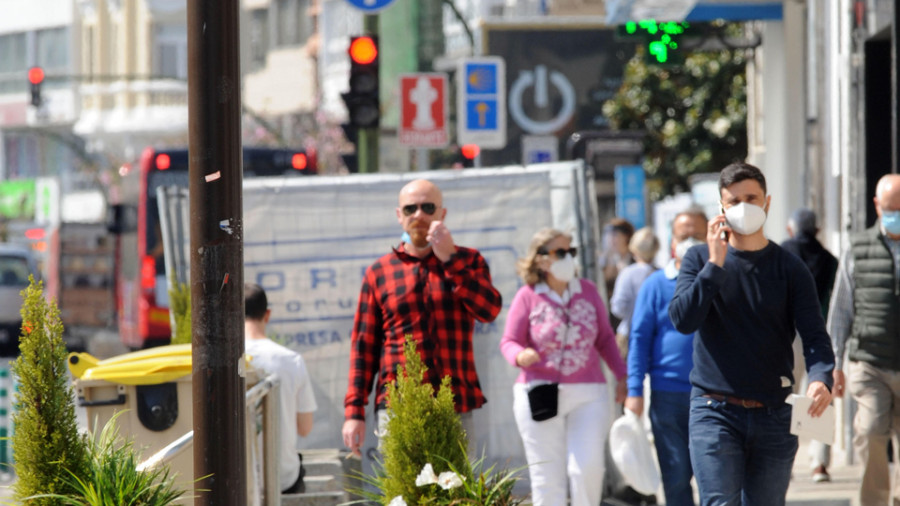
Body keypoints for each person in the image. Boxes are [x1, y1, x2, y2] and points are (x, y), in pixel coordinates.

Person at [668, 162, 834, 506]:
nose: (743, 207)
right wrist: (715, 266)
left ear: (767, 204)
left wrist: (821, 377)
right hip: (714, 409)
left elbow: (815, 336)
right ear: (721, 208)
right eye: (733, 201)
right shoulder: (699, 260)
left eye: (751, 198)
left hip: (774, 413)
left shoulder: (789, 267)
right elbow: (683, 320)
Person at [342, 179, 502, 457]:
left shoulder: (469, 260)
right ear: (399, 216)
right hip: (398, 404)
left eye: (428, 207)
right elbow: (363, 347)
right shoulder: (379, 272)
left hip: (454, 401)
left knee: (458, 496)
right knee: (402, 497)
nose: (419, 215)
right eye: (410, 208)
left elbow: (489, 311)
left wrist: (450, 259)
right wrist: (355, 411)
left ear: (442, 214)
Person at [500, 228, 627, 506]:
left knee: (588, 468)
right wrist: (520, 355)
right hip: (538, 391)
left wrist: (622, 376)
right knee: (546, 474)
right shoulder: (528, 296)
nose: (568, 257)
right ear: (541, 260)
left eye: (571, 251)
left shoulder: (589, 291)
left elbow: (605, 338)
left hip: (589, 392)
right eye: (560, 252)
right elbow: (509, 341)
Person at [625, 209, 707, 506]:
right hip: (667, 396)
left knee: (717, 481)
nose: (689, 242)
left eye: (697, 235)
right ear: (672, 241)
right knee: (675, 480)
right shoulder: (655, 284)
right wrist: (634, 391)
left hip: (716, 395)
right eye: (683, 235)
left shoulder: (722, 280)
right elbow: (639, 339)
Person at [828, 173, 900, 506]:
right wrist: (834, 363)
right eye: (890, 208)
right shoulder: (857, 248)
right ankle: (873, 501)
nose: (895, 214)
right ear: (876, 205)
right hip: (869, 362)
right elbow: (841, 309)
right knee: (871, 430)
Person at [782, 207, 839, 483]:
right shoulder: (829, 260)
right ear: (816, 230)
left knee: (783, 397)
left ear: (791, 229)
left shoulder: (783, 252)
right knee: (819, 398)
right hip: (819, 336)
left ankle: (785, 462)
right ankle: (819, 464)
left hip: (787, 336)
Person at [244, 283, 317, 494]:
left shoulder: (227, 361)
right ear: (267, 314)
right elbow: (305, 427)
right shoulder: (292, 360)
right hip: (282, 478)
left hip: (238, 479)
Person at [610, 227, 659, 358]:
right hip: (657, 334)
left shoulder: (627, 273)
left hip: (628, 334)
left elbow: (618, 308)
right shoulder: (661, 274)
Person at [598, 218, 636, 311]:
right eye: (608, 235)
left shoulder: (636, 258)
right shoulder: (605, 259)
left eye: (615, 235)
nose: (611, 239)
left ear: (626, 236)